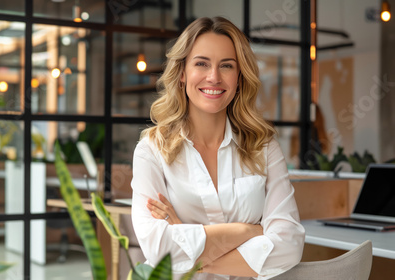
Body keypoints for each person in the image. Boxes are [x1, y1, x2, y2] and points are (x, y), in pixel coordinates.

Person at [130, 17, 305, 280]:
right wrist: (247, 231)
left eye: (227, 66)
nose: (214, 77)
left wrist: (190, 249)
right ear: (182, 73)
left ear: (239, 78)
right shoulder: (152, 151)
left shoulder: (264, 147)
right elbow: (157, 248)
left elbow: (290, 245)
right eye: (201, 63)